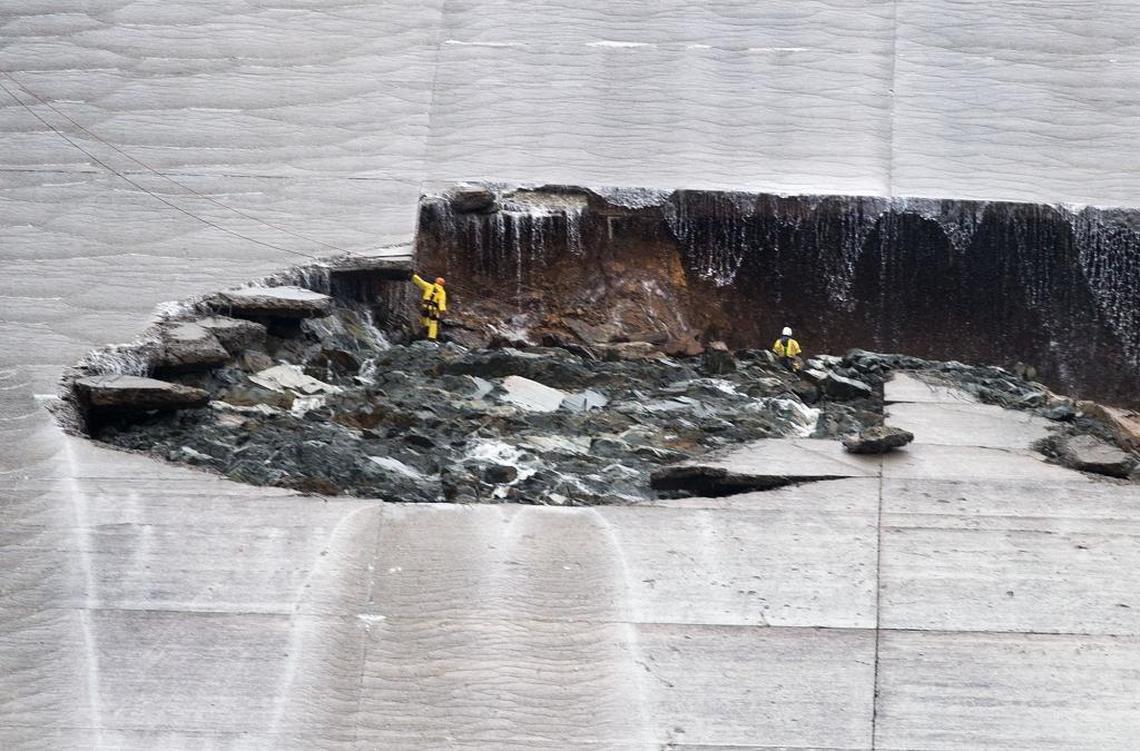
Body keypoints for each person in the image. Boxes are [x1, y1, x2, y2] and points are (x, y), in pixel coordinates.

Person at [410, 273, 447, 341]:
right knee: (433, 322)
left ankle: (424, 329)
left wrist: (413, 276)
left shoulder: (429, 286)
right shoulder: (442, 292)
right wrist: (442, 309)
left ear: (436, 281)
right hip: (434, 308)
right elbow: (442, 301)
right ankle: (431, 336)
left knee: (425, 318)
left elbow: (421, 282)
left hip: (425, 306)